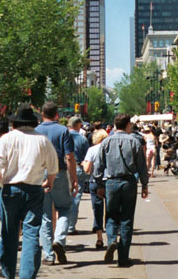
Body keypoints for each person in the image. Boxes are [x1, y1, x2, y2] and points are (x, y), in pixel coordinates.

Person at [0, 105, 58, 279]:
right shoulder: (43, 140)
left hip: (10, 189)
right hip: (34, 189)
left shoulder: (6, 139)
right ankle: (27, 276)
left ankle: (8, 274)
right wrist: (49, 182)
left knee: (9, 234)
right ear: (33, 122)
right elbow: (53, 167)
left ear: (14, 123)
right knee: (31, 234)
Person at [93, 113, 149, 268]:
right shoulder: (134, 141)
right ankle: (123, 257)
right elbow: (141, 166)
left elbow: (99, 165)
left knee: (111, 216)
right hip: (129, 182)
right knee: (126, 219)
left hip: (111, 182)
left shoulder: (106, 142)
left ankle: (111, 240)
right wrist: (144, 184)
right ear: (128, 125)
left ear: (115, 125)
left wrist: (98, 184)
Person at [36, 102, 77, 265]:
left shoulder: (36, 131)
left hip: (40, 175)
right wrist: (73, 178)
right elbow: (69, 157)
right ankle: (59, 240)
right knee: (65, 208)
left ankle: (48, 255)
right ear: (57, 114)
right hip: (58, 173)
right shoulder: (63, 131)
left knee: (45, 215)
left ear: (42, 113)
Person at [81, 129, 108, 250]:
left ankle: (99, 238)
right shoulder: (110, 148)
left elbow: (87, 169)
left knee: (97, 209)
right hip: (110, 180)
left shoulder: (92, 150)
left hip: (95, 181)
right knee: (111, 209)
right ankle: (112, 237)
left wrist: (83, 163)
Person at [67, 116, 89, 236]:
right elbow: (86, 157)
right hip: (78, 168)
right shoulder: (82, 139)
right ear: (78, 125)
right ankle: (71, 226)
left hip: (64, 168)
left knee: (62, 198)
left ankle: (61, 225)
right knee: (75, 198)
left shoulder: (63, 137)